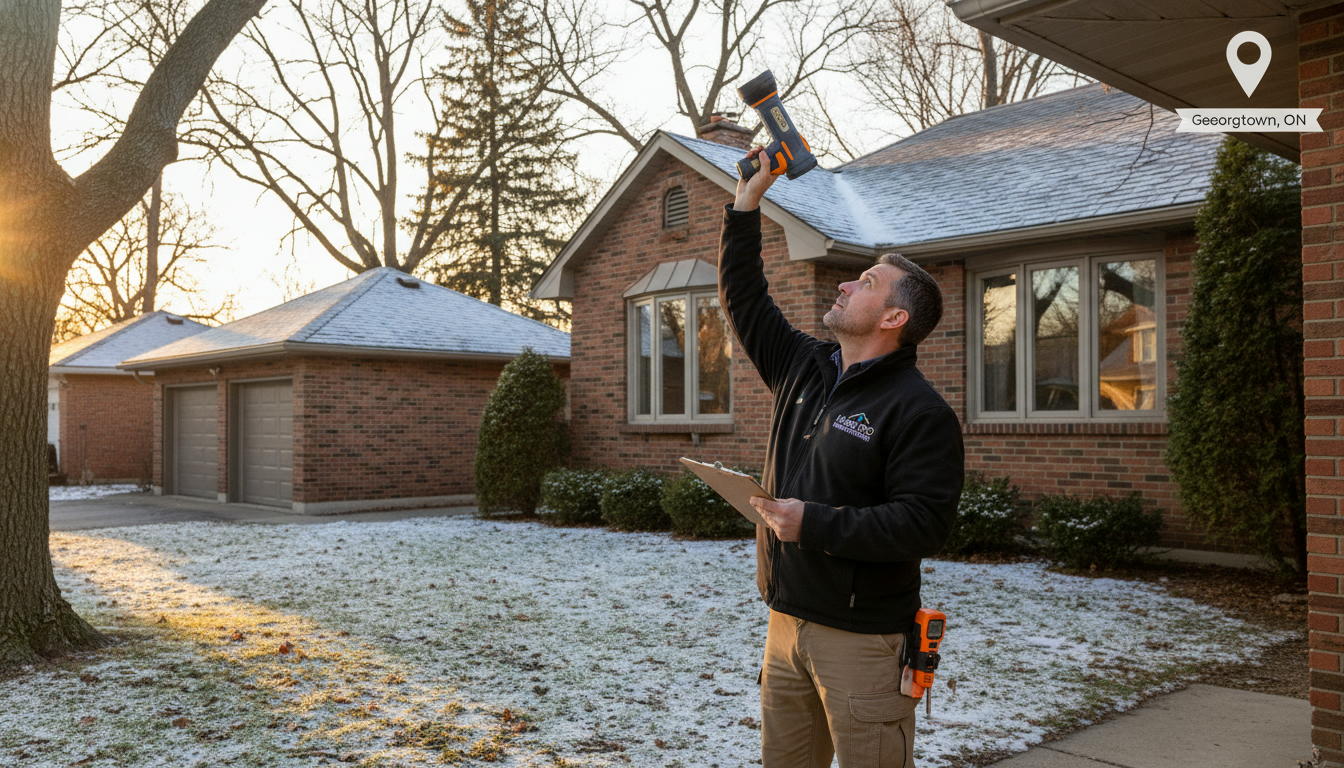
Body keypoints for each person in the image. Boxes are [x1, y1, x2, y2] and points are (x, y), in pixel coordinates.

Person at [720, 146, 965, 768]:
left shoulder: (919, 411)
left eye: (868, 283)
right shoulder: (806, 367)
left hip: (863, 640)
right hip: (785, 621)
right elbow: (747, 302)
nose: (847, 282)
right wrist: (747, 204)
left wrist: (813, 522)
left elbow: (923, 523)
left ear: (894, 316)